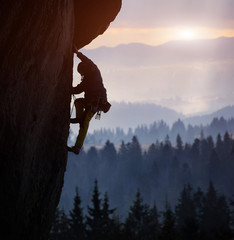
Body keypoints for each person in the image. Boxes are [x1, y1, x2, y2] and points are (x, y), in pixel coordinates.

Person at [67, 50, 111, 155]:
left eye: (81, 73)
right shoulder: (90, 74)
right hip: (90, 101)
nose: (81, 75)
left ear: (84, 71)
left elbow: (87, 61)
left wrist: (78, 53)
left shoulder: (93, 72)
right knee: (78, 102)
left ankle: (77, 146)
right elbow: (79, 89)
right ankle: (79, 118)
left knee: (85, 120)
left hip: (97, 102)